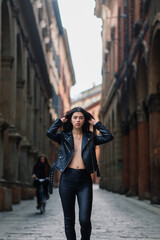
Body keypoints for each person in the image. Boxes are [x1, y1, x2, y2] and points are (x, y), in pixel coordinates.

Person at [46, 107, 114, 240]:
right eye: (75, 117)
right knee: (69, 220)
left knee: (84, 219)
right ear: (70, 120)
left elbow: (108, 136)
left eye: (81, 118)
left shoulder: (91, 137)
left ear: (85, 120)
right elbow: (50, 133)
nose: (78, 120)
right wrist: (60, 121)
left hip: (84, 181)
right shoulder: (63, 137)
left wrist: (96, 123)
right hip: (67, 180)